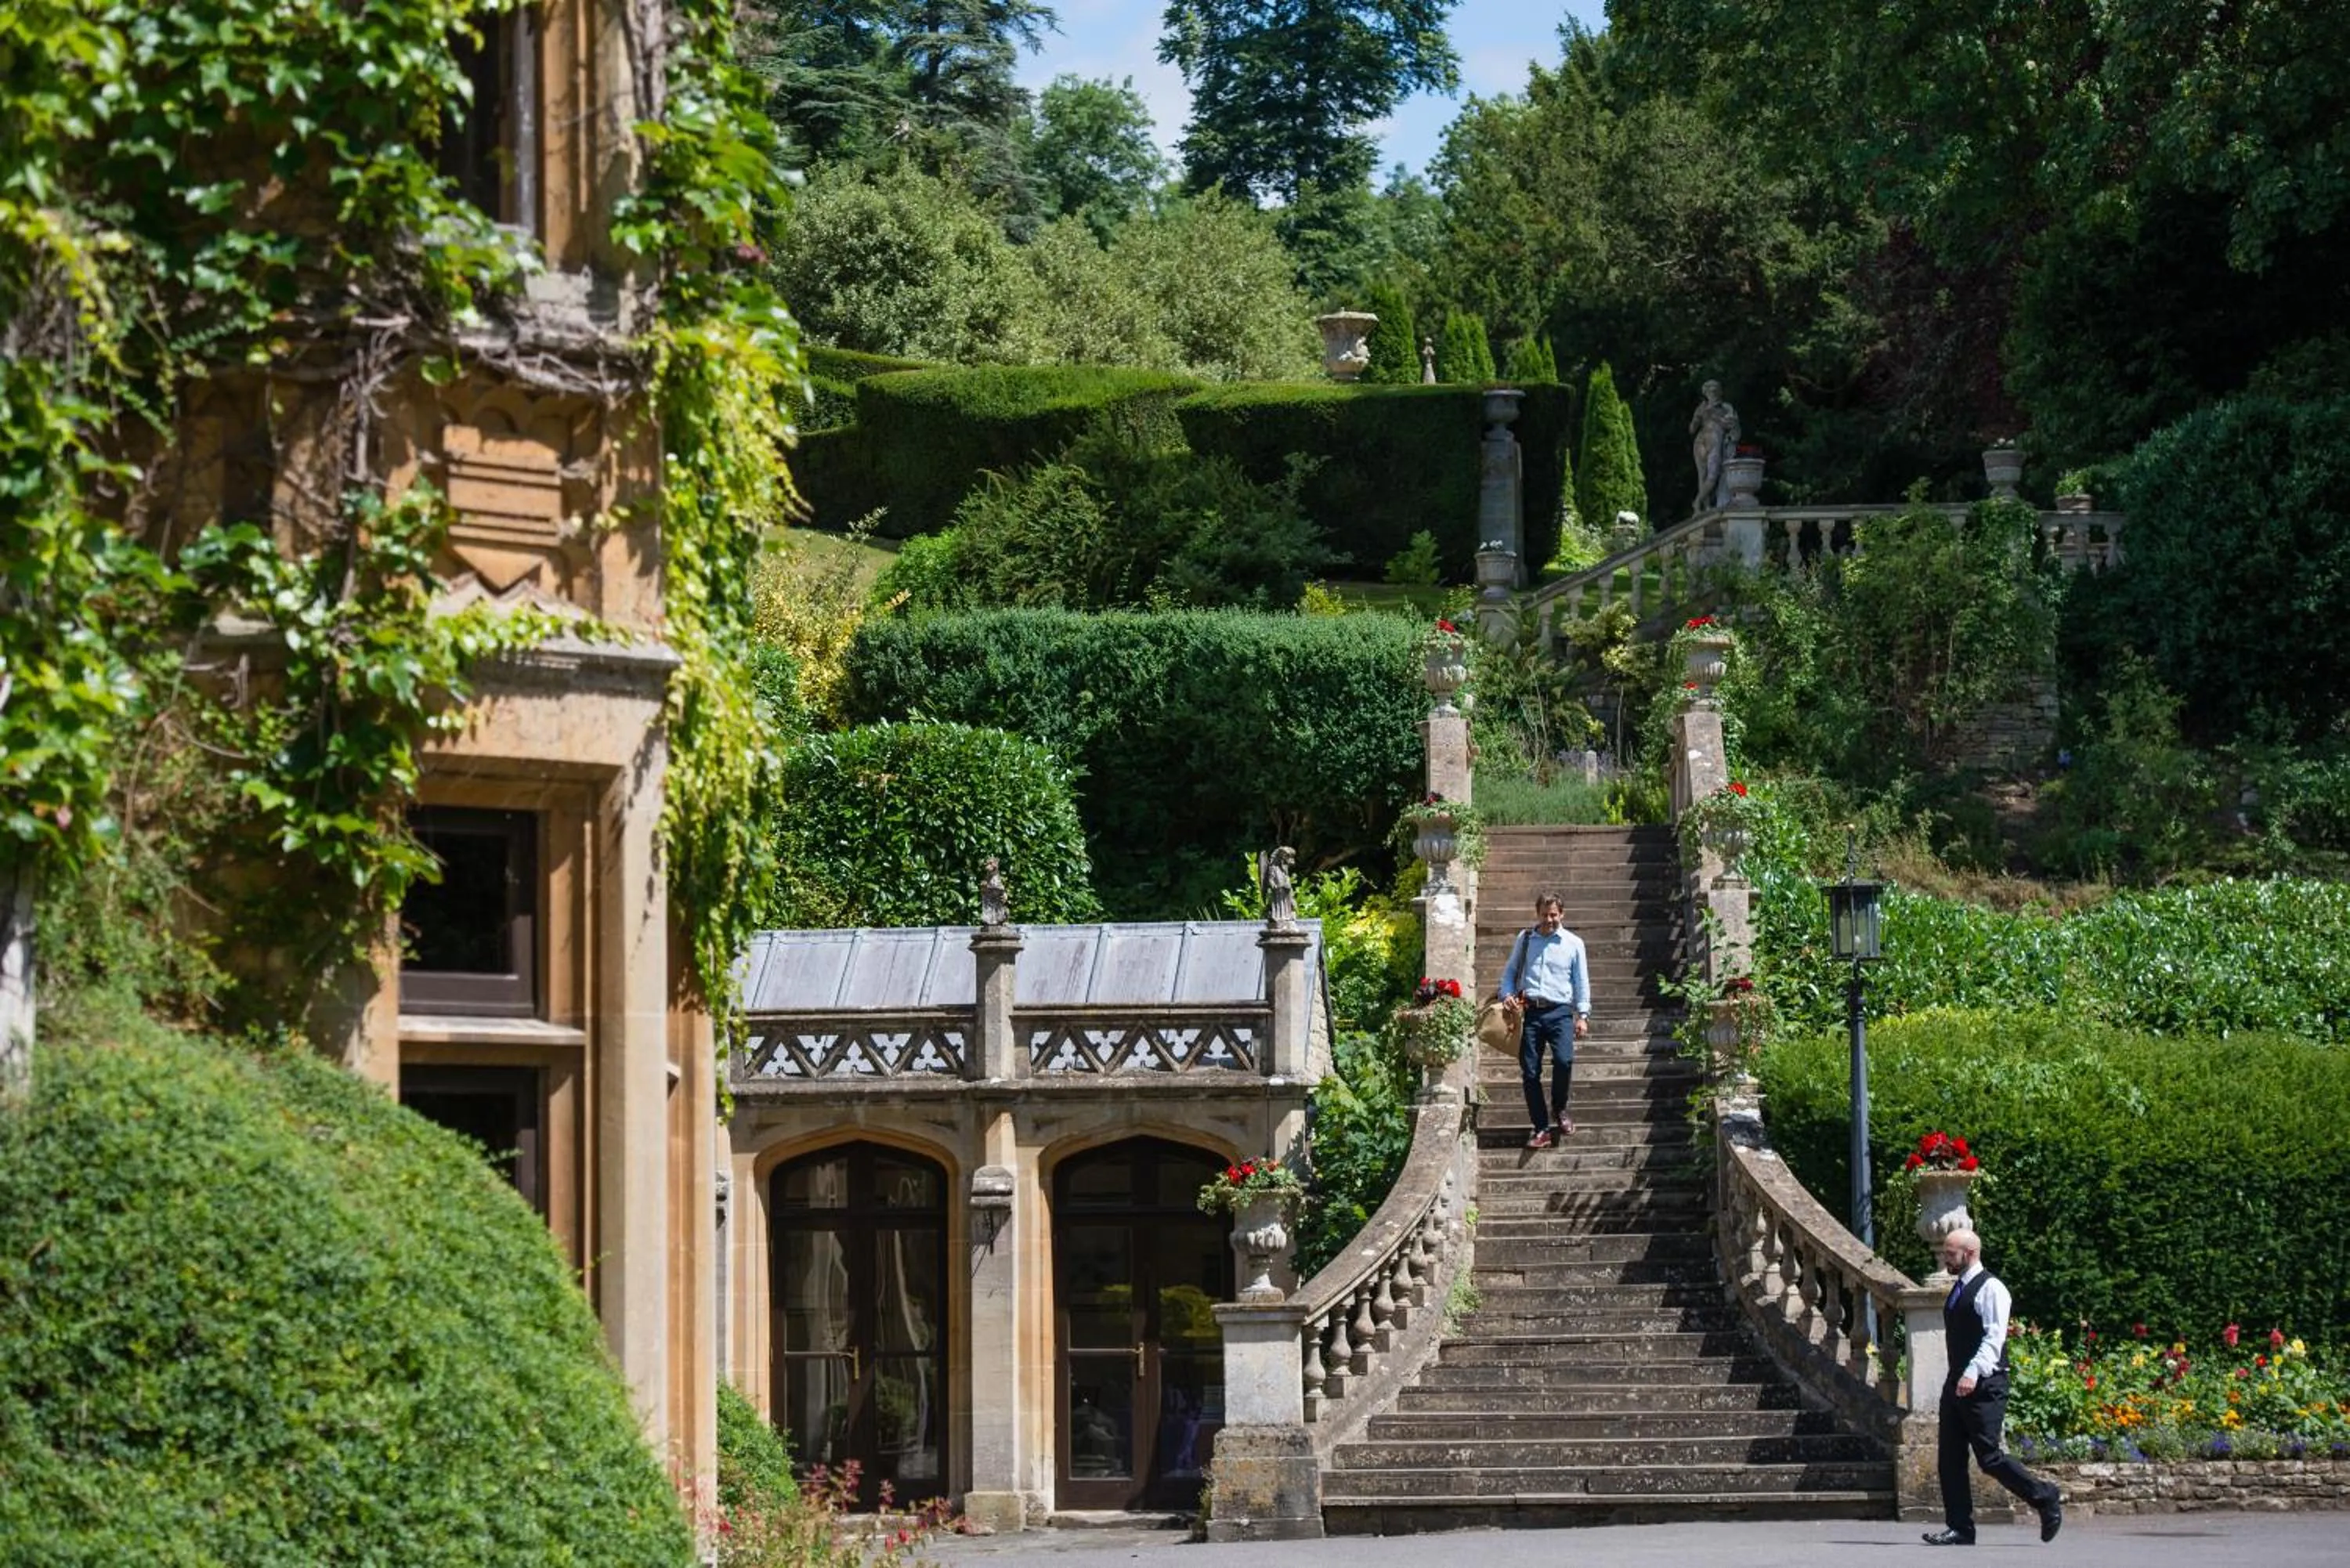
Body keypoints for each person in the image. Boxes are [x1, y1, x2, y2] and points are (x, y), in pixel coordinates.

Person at [1924, 1227, 2063, 1547]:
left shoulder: (1992, 1288)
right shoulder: (1959, 1287)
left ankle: (2045, 1496)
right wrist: (1959, 1376)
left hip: (1984, 1382)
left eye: (1951, 1253)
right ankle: (1960, 1527)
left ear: (1969, 1253)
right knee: (1950, 1458)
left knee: (1989, 1457)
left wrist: (1973, 1372)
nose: (1946, 1258)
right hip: (1957, 1381)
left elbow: (1994, 1337)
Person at [1495, 891, 1589, 1149]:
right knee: (1530, 1072)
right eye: (1544, 915)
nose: (1549, 920)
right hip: (1531, 1013)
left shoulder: (1573, 943)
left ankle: (1559, 1109)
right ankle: (1540, 1128)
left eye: (1554, 915)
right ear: (1537, 914)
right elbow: (1510, 973)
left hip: (1560, 1012)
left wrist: (1582, 1015)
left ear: (1562, 914)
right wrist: (1507, 996)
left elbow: (1581, 981)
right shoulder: (1525, 939)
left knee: (1564, 1061)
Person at [1688, 379, 1741, 515]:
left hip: (1716, 441)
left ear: (1720, 392)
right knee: (1703, 476)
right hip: (1701, 441)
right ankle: (1705, 508)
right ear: (1705, 392)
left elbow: (1733, 426)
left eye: (1715, 389)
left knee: (1713, 476)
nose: (1713, 392)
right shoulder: (1702, 407)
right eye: (1710, 389)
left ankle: (1697, 501)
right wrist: (1697, 416)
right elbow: (1692, 429)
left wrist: (1717, 418)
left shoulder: (1726, 407)